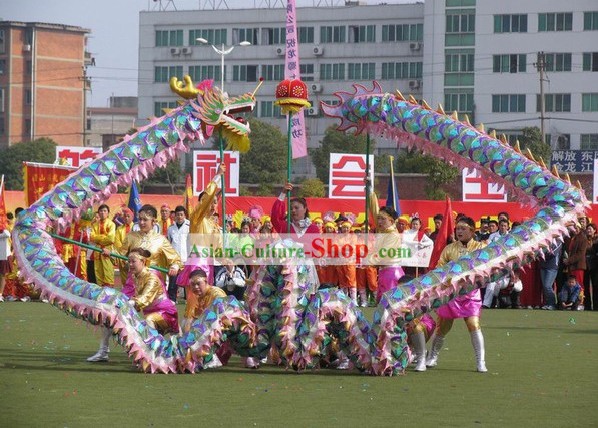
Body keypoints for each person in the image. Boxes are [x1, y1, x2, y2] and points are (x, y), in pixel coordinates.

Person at [87, 204, 181, 363]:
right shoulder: (131, 236)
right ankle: (103, 350)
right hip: (133, 283)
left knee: (158, 318)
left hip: (153, 283)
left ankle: (157, 353)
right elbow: (122, 259)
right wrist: (110, 254)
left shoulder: (161, 240)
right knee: (112, 309)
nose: (142, 222)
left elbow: (176, 259)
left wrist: (175, 266)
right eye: (140, 219)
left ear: (154, 220)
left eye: (146, 219)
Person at [425, 216, 488, 373]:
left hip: (471, 293)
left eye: (463, 228)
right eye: (457, 228)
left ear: (472, 231)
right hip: (450, 293)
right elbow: (439, 268)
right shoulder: (449, 249)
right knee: (442, 328)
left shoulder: (481, 247)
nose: (459, 231)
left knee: (474, 325)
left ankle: (480, 361)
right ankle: (433, 356)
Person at [182, 269, 232, 368]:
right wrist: (186, 343)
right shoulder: (194, 297)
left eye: (198, 284)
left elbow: (226, 316)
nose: (196, 287)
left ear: (205, 282)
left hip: (223, 330)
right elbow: (188, 320)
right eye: (193, 284)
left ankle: (212, 356)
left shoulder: (216, 293)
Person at [127, 247, 179, 334]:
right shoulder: (135, 276)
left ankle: (152, 346)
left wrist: (131, 302)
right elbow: (137, 297)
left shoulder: (152, 277)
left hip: (165, 313)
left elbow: (145, 298)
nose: (130, 264)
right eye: (129, 262)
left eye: (133, 261)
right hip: (150, 313)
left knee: (148, 321)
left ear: (143, 262)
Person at [167, 205, 190, 303]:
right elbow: (168, 242)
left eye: (181, 215)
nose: (179, 217)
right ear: (174, 216)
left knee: (188, 280)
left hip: (186, 258)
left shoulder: (189, 227)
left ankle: (187, 299)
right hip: (175, 259)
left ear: (184, 215)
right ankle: (172, 299)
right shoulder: (171, 228)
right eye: (177, 215)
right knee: (173, 280)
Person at [90, 204, 116, 287]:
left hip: (107, 250)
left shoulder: (111, 224)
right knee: (98, 272)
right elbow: (91, 237)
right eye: (101, 211)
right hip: (97, 251)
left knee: (108, 271)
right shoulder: (94, 225)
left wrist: (98, 239)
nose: (102, 213)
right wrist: (104, 237)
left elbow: (111, 239)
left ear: (108, 213)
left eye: (105, 211)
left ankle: (109, 294)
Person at [540, 242, 562, 310]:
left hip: (552, 267)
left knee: (547, 286)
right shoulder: (544, 240)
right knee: (545, 286)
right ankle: (548, 303)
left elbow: (553, 253)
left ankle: (552, 304)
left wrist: (542, 254)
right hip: (543, 265)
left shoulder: (558, 241)